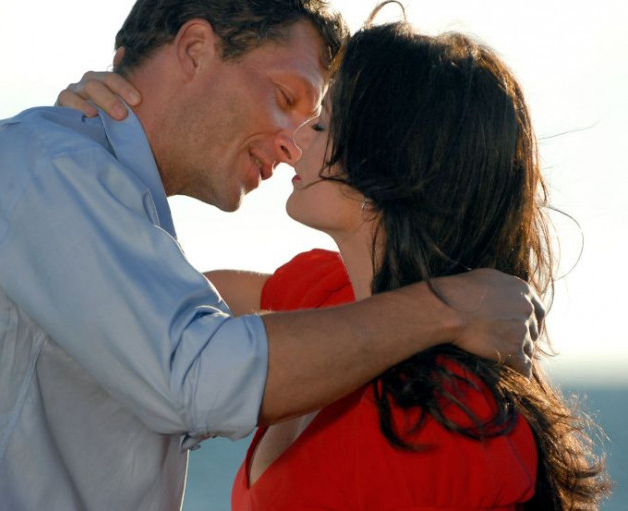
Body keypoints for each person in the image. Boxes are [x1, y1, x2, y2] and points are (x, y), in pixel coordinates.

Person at [0, 1, 545, 510]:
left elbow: (193, 310)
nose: (294, 142)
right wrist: (450, 308)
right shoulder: (48, 164)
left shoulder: (75, 181)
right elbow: (199, 371)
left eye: (318, 118)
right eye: (286, 99)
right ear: (196, 49)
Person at [61, 3, 610, 510]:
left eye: (321, 122)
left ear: (391, 160)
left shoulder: (449, 416)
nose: (292, 143)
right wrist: (114, 135)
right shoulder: (330, 296)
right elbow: (165, 306)